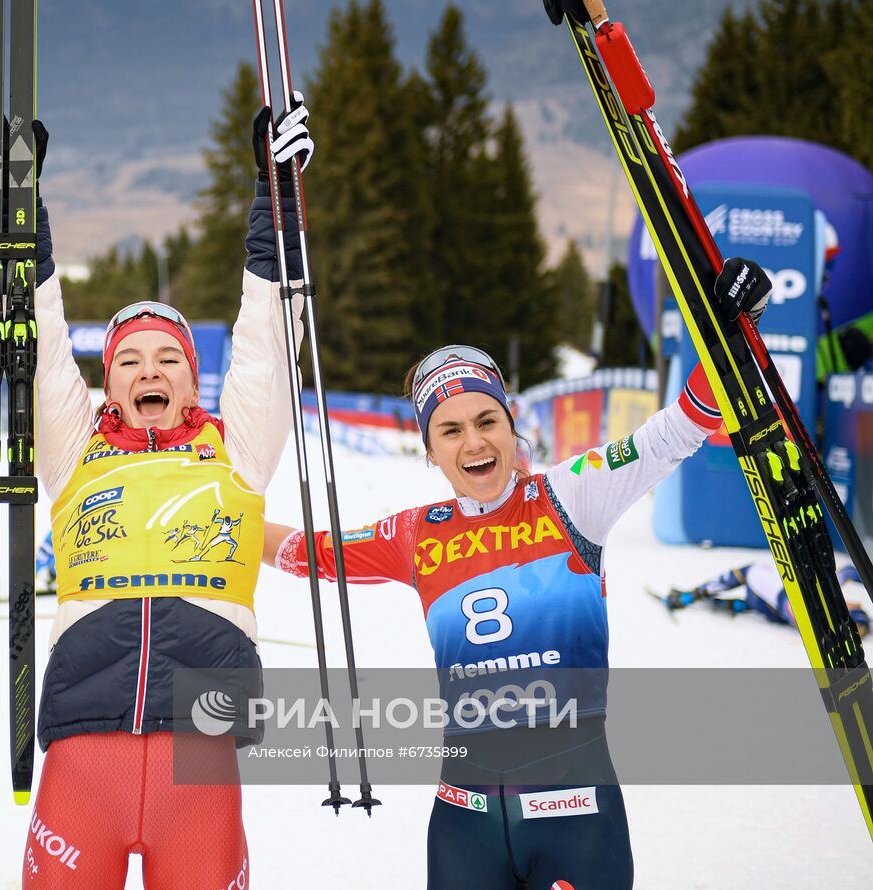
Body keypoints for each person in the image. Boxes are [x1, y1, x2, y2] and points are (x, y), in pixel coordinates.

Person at [262, 258, 773, 889]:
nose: (473, 443)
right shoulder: (415, 532)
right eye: (449, 430)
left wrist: (735, 331)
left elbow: (677, 431)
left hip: (576, 814)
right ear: (429, 450)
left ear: (512, 425)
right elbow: (311, 551)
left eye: (486, 422)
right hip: (464, 821)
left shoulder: (574, 494)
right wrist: (218, 525)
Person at [0, 98, 313, 888]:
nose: (149, 370)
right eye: (130, 360)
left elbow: (267, 335)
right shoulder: (74, 446)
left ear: (195, 379)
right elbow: (40, 335)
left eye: (168, 358)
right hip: (84, 753)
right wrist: (15, 196)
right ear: (109, 381)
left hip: (203, 751)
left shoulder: (237, 448)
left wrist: (278, 195)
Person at [661, 559, 870, 635]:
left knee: (751, 570)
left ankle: (692, 596)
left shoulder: (822, 610)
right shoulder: (830, 608)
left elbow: (848, 573)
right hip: (768, 607)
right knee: (761, 593)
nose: (855, 601)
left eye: (853, 605)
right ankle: (728, 604)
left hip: (771, 599)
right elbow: (851, 572)